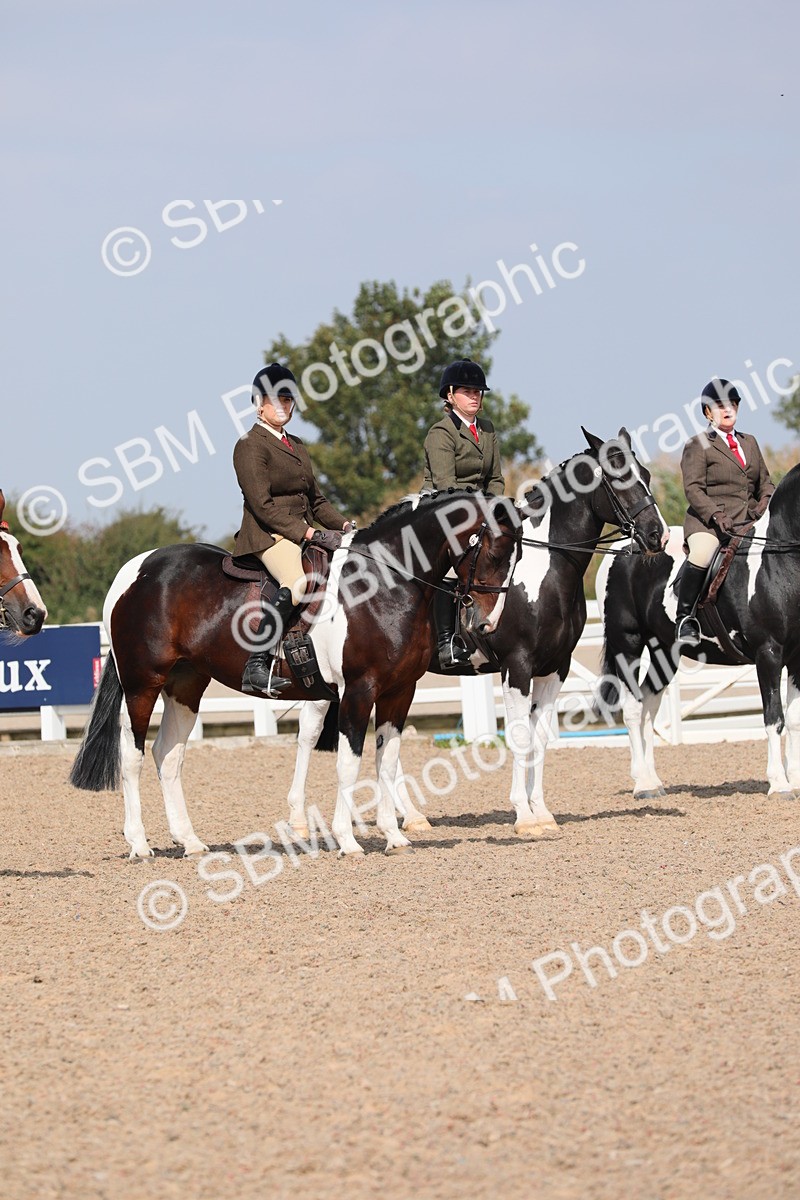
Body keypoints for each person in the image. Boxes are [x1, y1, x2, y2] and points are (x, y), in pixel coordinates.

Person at [233, 362, 352, 696]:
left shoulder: (297, 444)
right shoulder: (249, 445)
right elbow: (262, 506)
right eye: (276, 399)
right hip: (267, 535)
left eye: (288, 399)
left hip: (301, 530)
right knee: (298, 582)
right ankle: (256, 664)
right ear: (259, 403)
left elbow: (317, 501)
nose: (284, 405)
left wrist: (345, 526)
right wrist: (310, 534)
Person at [675, 377, 774, 647]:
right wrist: (717, 515)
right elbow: (693, 489)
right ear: (708, 412)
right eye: (719, 406)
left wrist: (765, 501)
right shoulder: (698, 444)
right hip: (709, 524)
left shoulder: (750, 442)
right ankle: (685, 617)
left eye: (732, 404)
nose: (727, 409)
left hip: (749, 522)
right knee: (702, 553)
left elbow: (765, 481)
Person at [421, 358, 505, 669]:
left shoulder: (487, 429)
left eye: (478, 392)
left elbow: (495, 478)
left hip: (481, 511)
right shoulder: (440, 433)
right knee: (451, 563)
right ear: (450, 395)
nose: (474, 397)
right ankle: (446, 641)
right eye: (467, 391)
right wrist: (481, 510)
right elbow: (446, 485)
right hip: (442, 509)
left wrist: (492, 510)